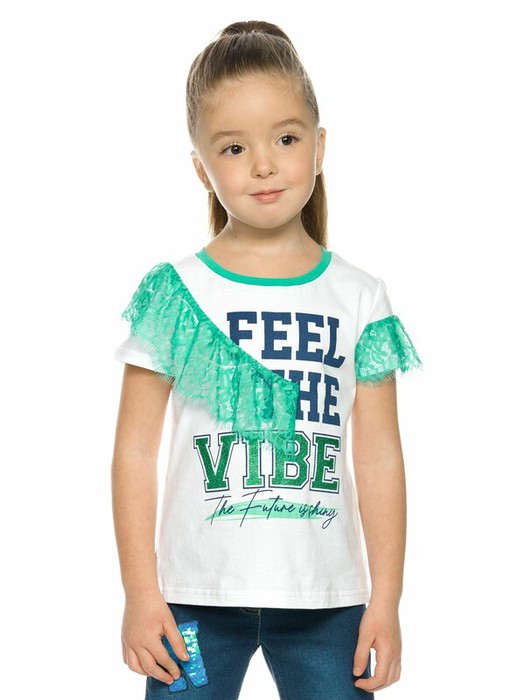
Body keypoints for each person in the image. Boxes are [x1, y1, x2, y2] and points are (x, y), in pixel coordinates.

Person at [111, 20, 422, 700]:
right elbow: (134, 451)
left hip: (329, 603)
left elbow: (378, 457)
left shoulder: (359, 297)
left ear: (319, 146)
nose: (263, 165)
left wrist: (386, 600)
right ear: (202, 168)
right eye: (233, 147)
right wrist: (140, 594)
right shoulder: (177, 293)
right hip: (192, 601)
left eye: (285, 138)